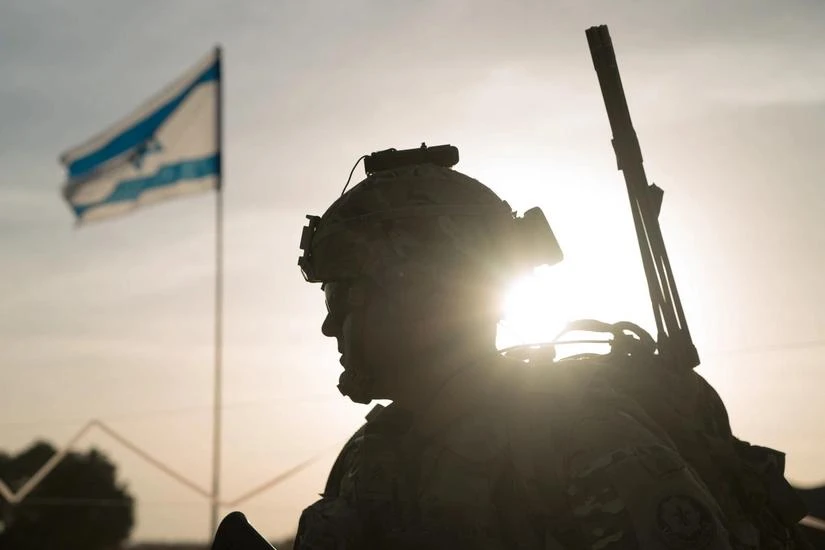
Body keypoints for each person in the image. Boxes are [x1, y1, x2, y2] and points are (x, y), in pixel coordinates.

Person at [293, 146, 807, 550]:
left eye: (344, 298)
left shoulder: (583, 442)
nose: (329, 326)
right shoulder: (369, 456)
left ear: (423, 297)